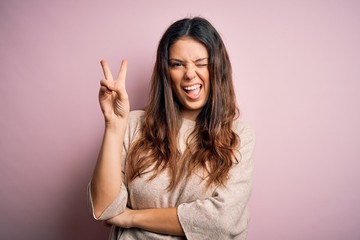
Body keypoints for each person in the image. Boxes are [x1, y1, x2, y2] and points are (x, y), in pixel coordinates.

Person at [88, 17, 255, 240]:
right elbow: (103, 208)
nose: (190, 73)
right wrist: (114, 124)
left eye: (201, 63)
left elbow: (223, 220)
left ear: (217, 68)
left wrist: (132, 217)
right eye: (177, 64)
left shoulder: (239, 136)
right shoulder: (133, 124)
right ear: (166, 72)